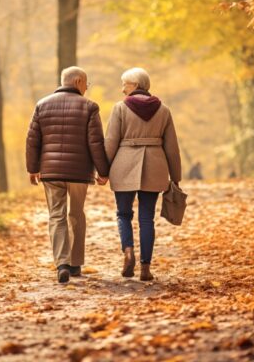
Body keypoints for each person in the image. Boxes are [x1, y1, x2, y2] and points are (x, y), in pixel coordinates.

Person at [26, 66, 110, 283]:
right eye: (86, 83)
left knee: (56, 215)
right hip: (79, 172)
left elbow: (33, 140)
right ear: (78, 82)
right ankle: (74, 264)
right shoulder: (89, 107)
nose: (87, 87)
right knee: (76, 214)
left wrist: (32, 168)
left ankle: (61, 263)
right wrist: (103, 171)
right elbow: (96, 142)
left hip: (51, 172)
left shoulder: (42, 105)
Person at [105, 67, 181, 281]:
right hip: (155, 167)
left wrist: (102, 171)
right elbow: (172, 147)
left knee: (123, 214)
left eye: (124, 84)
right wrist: (175, 176)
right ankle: (145, 268)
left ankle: (128, 251)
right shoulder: (164, 110)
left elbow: (111, 142)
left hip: (124, 165)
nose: (122, 90)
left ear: (136, 85)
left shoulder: (119, 109)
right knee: (147, 219)